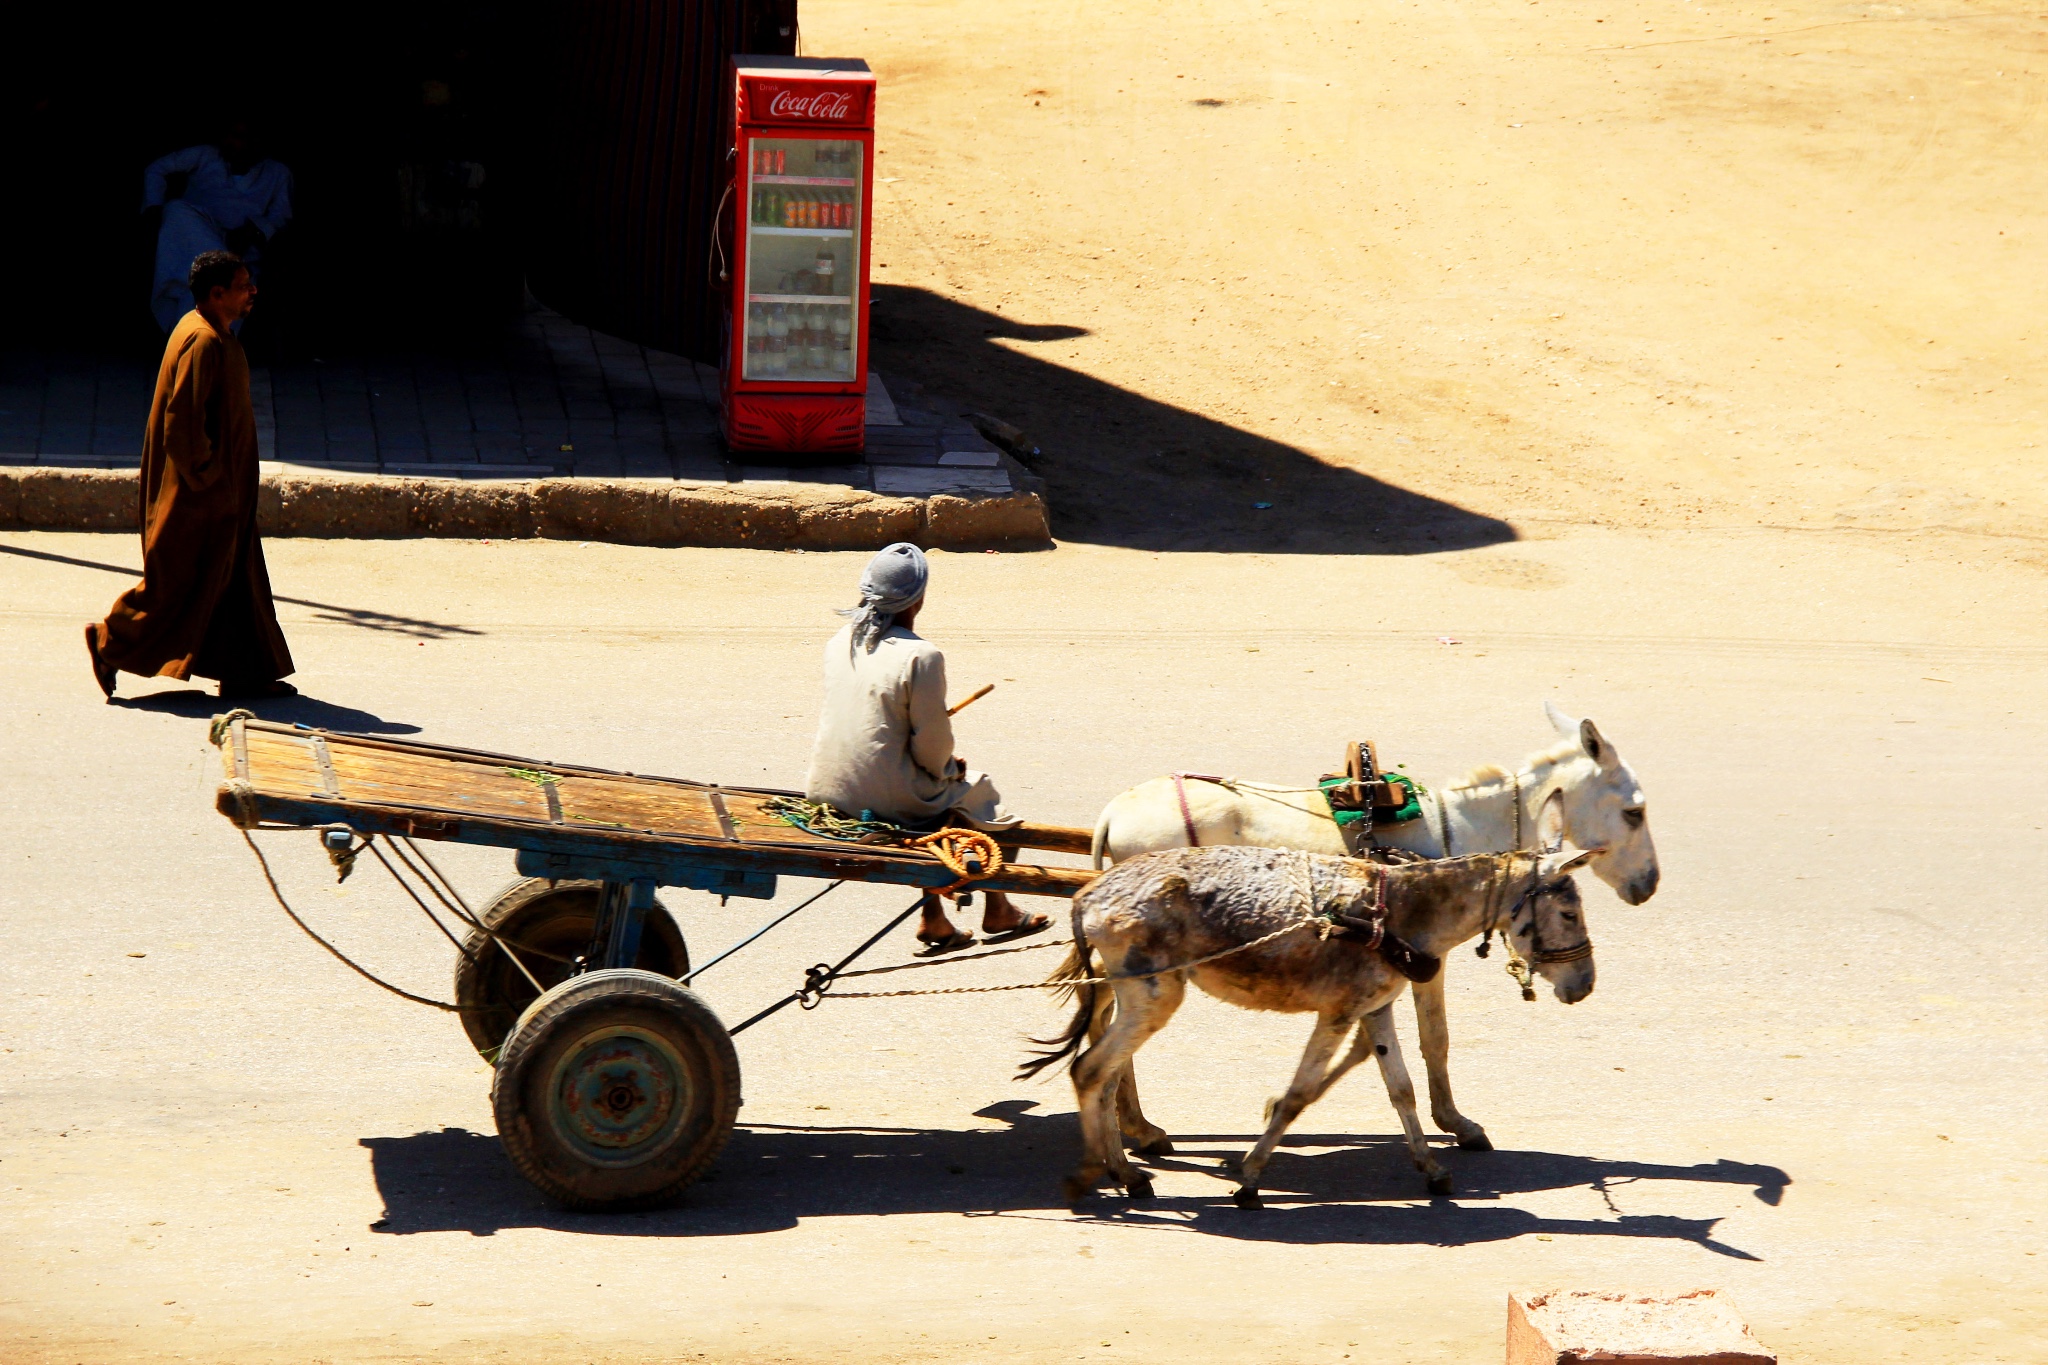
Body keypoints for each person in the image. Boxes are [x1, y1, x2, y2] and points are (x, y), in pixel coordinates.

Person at [805, 543, 1051, 952]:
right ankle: (999, 908)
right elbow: (933, 751)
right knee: (982, 794)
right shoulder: (921, 655)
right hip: (882, 794)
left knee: (939, 796)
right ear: (919, 598)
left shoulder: (839, 640)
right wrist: (951, 769)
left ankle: (935, 918)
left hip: (828, 785)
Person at [86, 251, 296, 701]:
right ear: (217, 294)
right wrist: (212, 482)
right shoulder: (201, 342)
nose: (252, 291)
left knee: (237, 582)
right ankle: (110, 642)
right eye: (243, 285)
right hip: (201, 496)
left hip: (225, 493)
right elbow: (182, 426)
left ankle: (245, 672)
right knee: (177, 584)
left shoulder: (211, 331)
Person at [142, 124, 292, 334]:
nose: (231, 142)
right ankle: (224, 266)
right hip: (197, 237)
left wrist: (254, 229)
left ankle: (194, 346)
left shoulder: (277, 173)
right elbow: (157, 169)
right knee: (176, 210)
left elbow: (280, 216)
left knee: (205, 287)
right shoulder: (205, 155)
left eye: (240, 137)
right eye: (229, 135)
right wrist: (153, 206)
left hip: (240, 246)